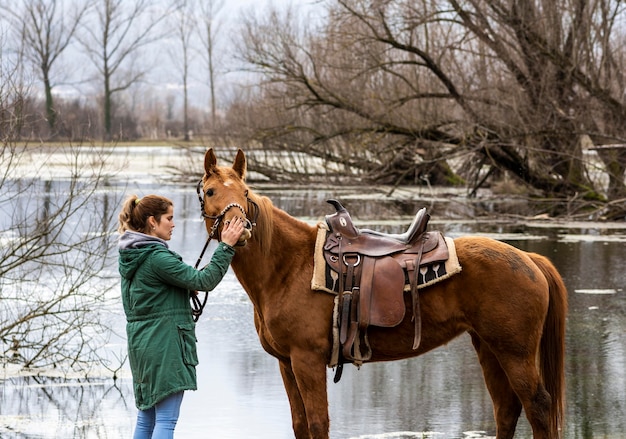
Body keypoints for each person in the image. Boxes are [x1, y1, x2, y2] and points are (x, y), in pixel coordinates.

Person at [117, 194, 244, 439]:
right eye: (169, 218)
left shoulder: (133, 255)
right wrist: (226, 246)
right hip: (165, 345)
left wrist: (182, 287)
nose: (174, 224)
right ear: (152, 222)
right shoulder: (157, 257)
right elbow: (204, 281)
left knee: (146, 419)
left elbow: (152, 294)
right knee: (166, 421)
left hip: (142, 347)